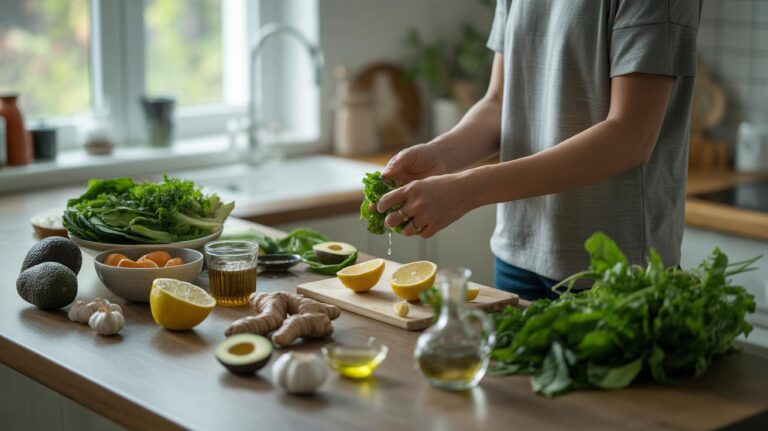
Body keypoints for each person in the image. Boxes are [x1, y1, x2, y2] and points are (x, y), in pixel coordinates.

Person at [375, 1, 701, 301]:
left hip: (613, 269)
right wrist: (442, 155)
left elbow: (631, 136)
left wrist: (468, 189)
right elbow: (500, 103)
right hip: (517, 255)